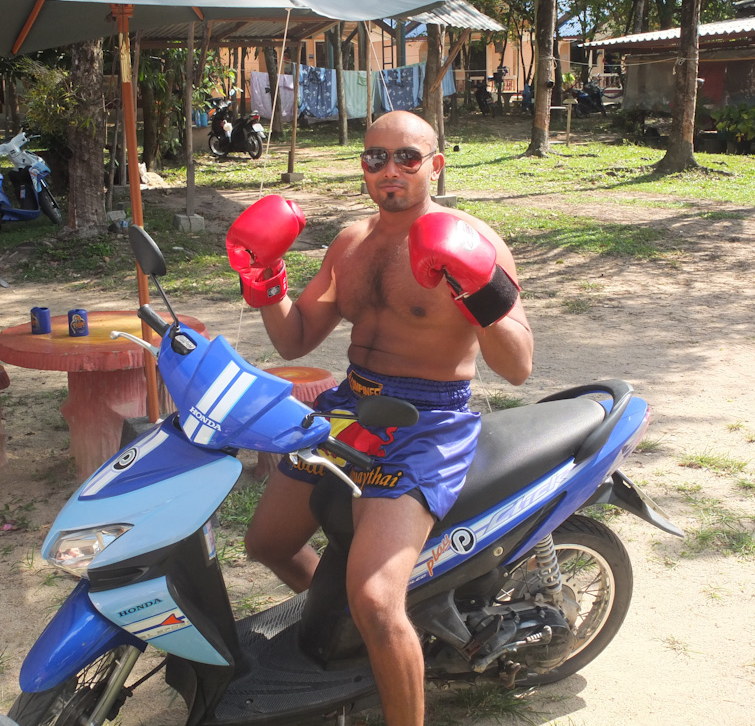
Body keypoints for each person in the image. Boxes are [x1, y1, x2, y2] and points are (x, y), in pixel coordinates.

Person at [226, 110, 534, 726]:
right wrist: (262, 281)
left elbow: (519, 365)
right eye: (375, 158)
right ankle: (352, 638)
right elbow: (296, 340)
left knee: (375, 597)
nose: (389, 170)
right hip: (351, 406)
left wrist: (477, 293)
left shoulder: (476, 238)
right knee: (264, 543)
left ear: (435, 165)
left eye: (407, 158)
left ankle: (386, 656)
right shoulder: (352, 242)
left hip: (429, 421)